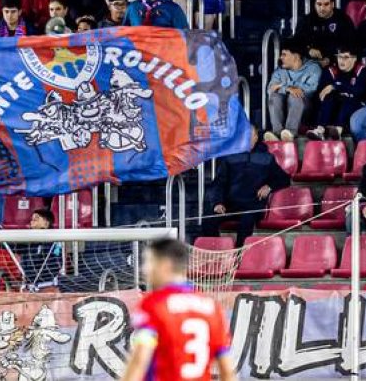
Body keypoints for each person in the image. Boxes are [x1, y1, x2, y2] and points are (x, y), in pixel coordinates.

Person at [122, 238, 237, 381]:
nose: (145, 270)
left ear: (164, 265)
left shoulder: (154, 304)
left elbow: (140, 358)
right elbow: (227, 369)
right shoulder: (212, 308)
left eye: (150, 262)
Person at [201, 129, 291, 244]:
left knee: (247, 220)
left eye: (250, 135)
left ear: (256, 137)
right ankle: (217, 250)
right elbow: (219, 183)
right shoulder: (229, 156)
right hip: (230, 206)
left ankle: (239, 253)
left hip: (253, 206)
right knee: (208, 218)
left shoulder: (267, 157)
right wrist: (217, 203)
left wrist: (269, 186)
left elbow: (284, 179)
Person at [306, 46, 366, 141]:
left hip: (355, 110)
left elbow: (359, 91)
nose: (341, 60)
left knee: (349, 99)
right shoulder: (331, 70)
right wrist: (341, 89)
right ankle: (320, 130)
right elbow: (322, 94)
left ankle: (338, 131)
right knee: (329, 97)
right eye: (339, 57)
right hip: (333, 111)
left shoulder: (362, 70)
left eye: (346, 57)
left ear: (354, 59)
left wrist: (335, 86)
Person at [264, 42, 322, 142]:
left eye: (284, 54)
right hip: (284, 108)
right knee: (274, 96)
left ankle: (290, 133)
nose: (281, 57)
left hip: (305, 109)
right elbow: (270, 89)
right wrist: (287, 88)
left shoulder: (313, 68)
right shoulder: (280, 70)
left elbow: (312, 89)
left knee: (295, 96)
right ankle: (277, 133)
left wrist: (285, 86)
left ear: (295, 56)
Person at [17, 209, 62, 289]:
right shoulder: (27, 240)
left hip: (47, 286)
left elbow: (55, 265)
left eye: (36, 218)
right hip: (28, 286)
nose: (32, 220)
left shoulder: (55, 242)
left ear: (46, 223)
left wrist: (36, 277)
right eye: (32, 219)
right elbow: (10, 245)